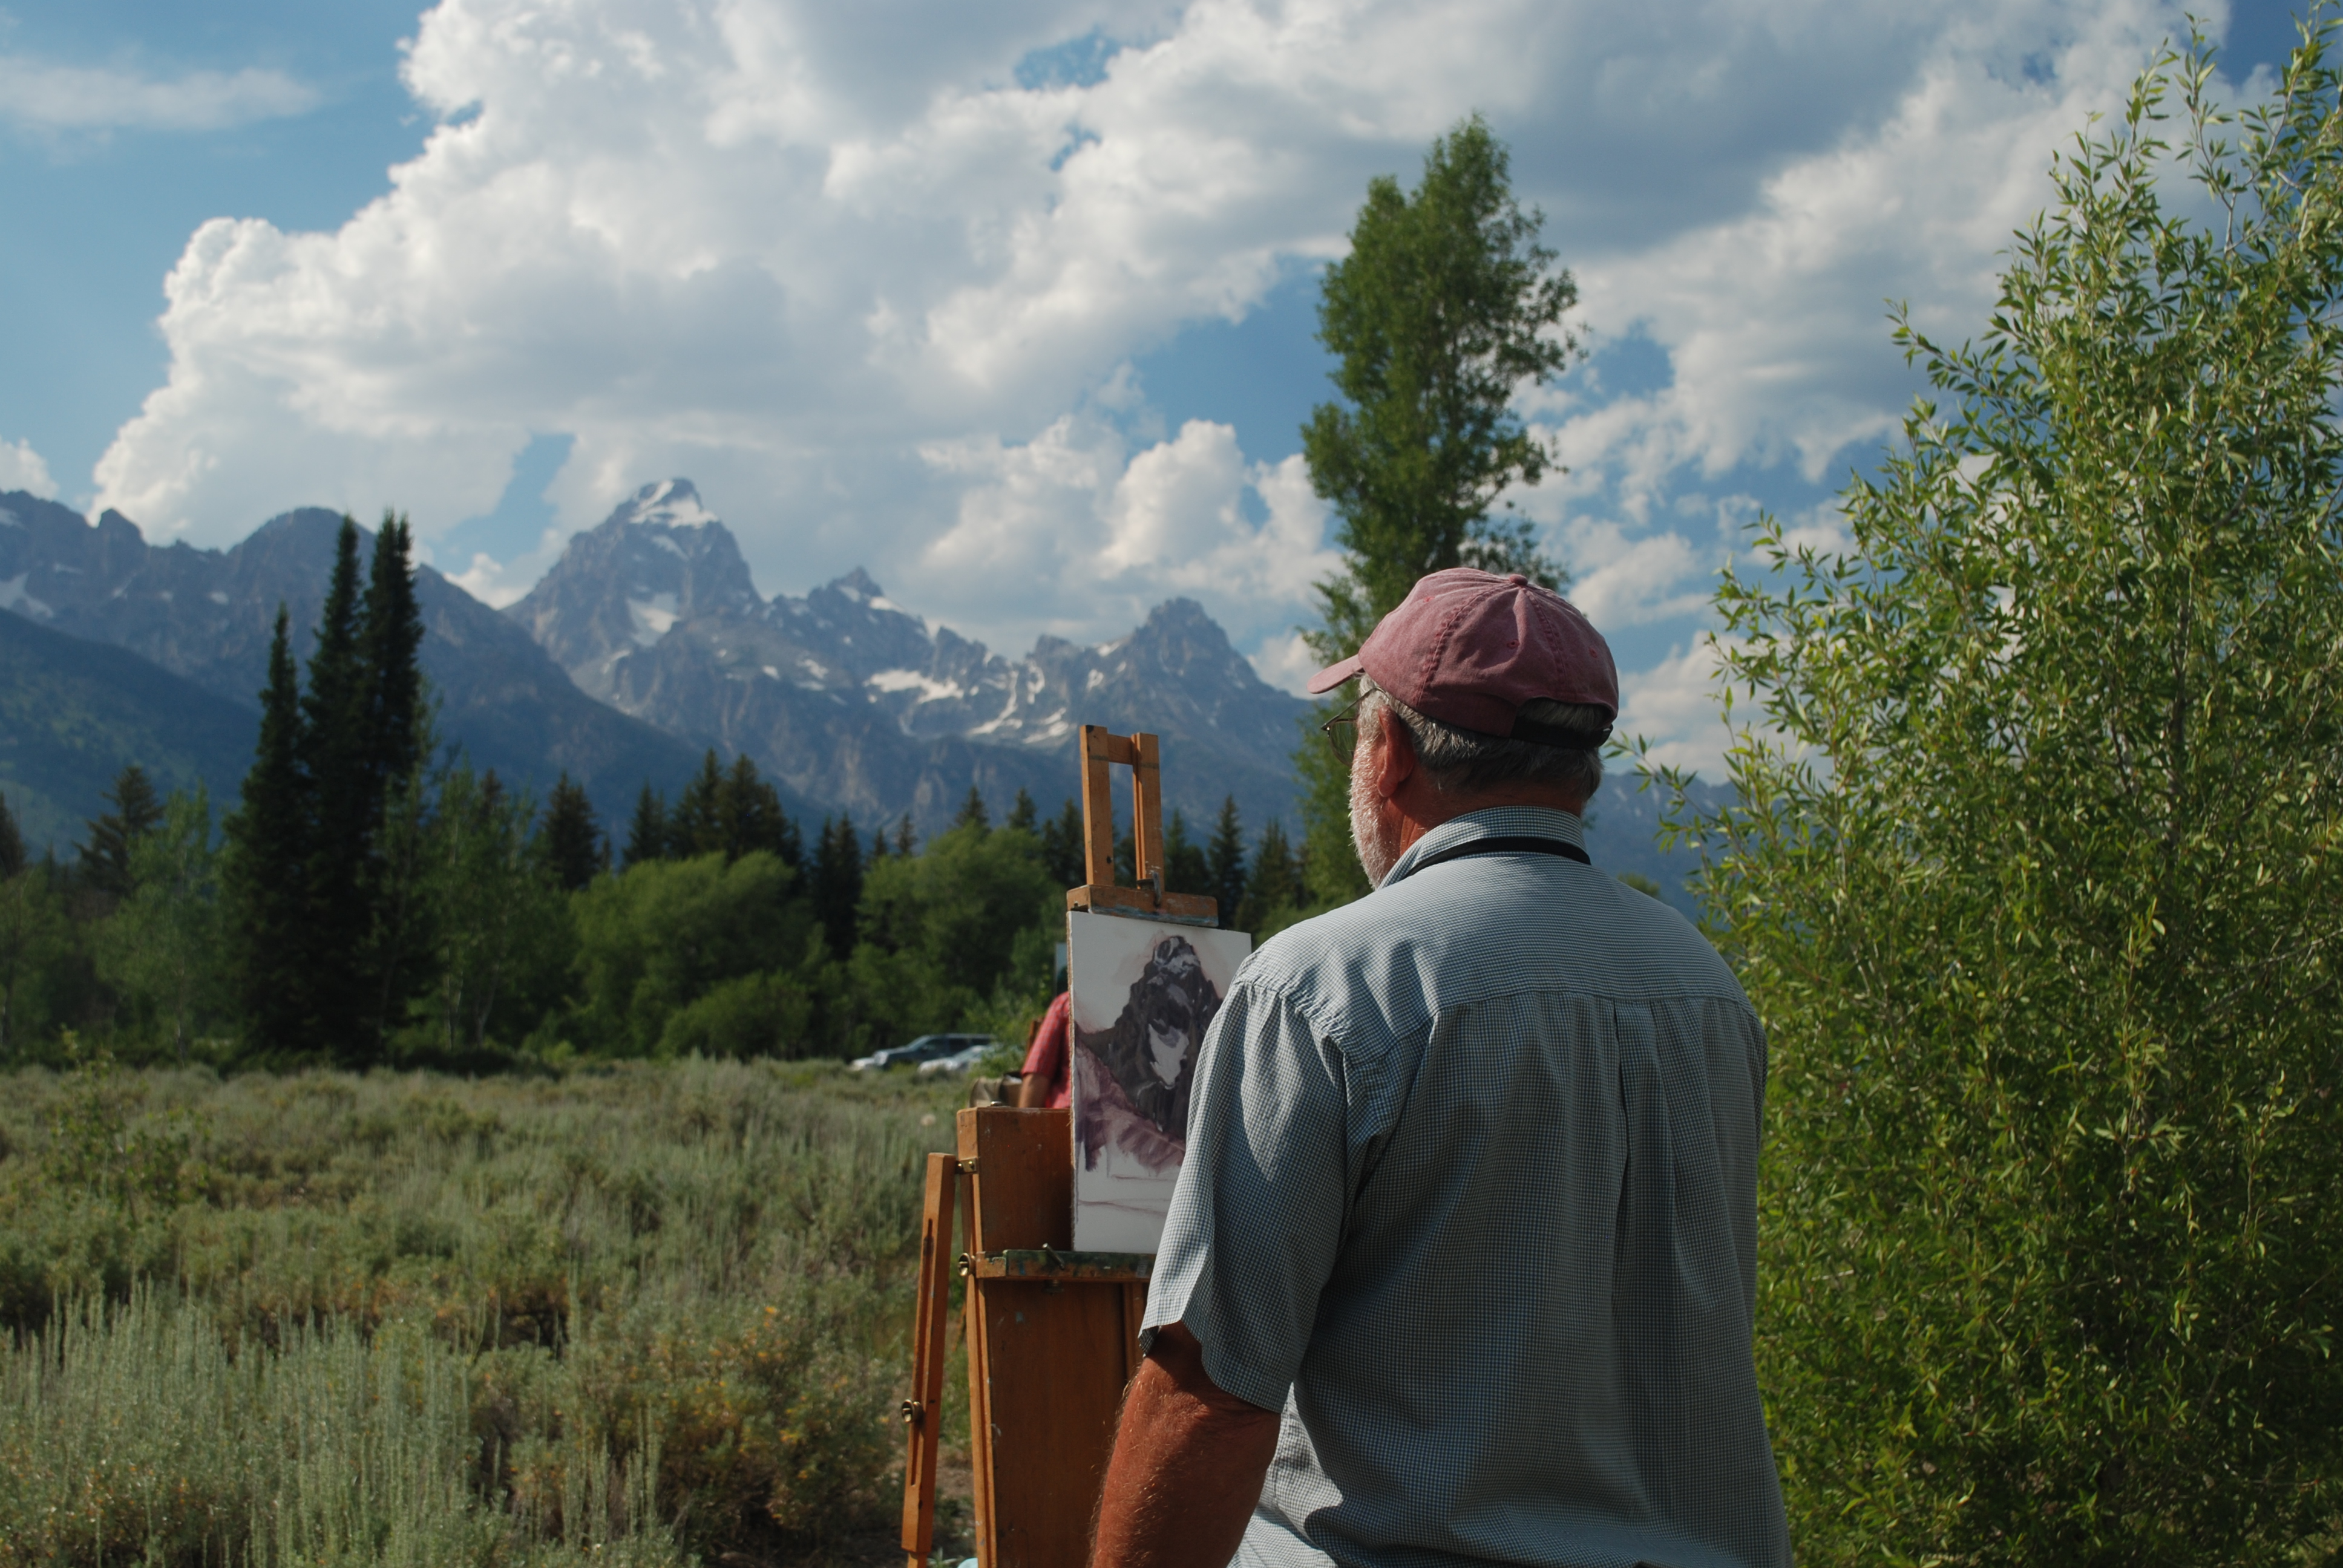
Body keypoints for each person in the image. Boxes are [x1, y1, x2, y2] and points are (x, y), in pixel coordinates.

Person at [1091, 569, 1791, 1568]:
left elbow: (1213, 1390)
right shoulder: (1708, 988)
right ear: (1579, 772)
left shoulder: (1324, 983)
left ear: (1390, 754)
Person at [1016, 987, 1074, 1108]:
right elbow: (1037, 1074)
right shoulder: (1066, 1004)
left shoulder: (1066, 1003)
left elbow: (1037, 1074)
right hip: (1067, 1120)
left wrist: (1027, 1125)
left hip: (1066, 1120)